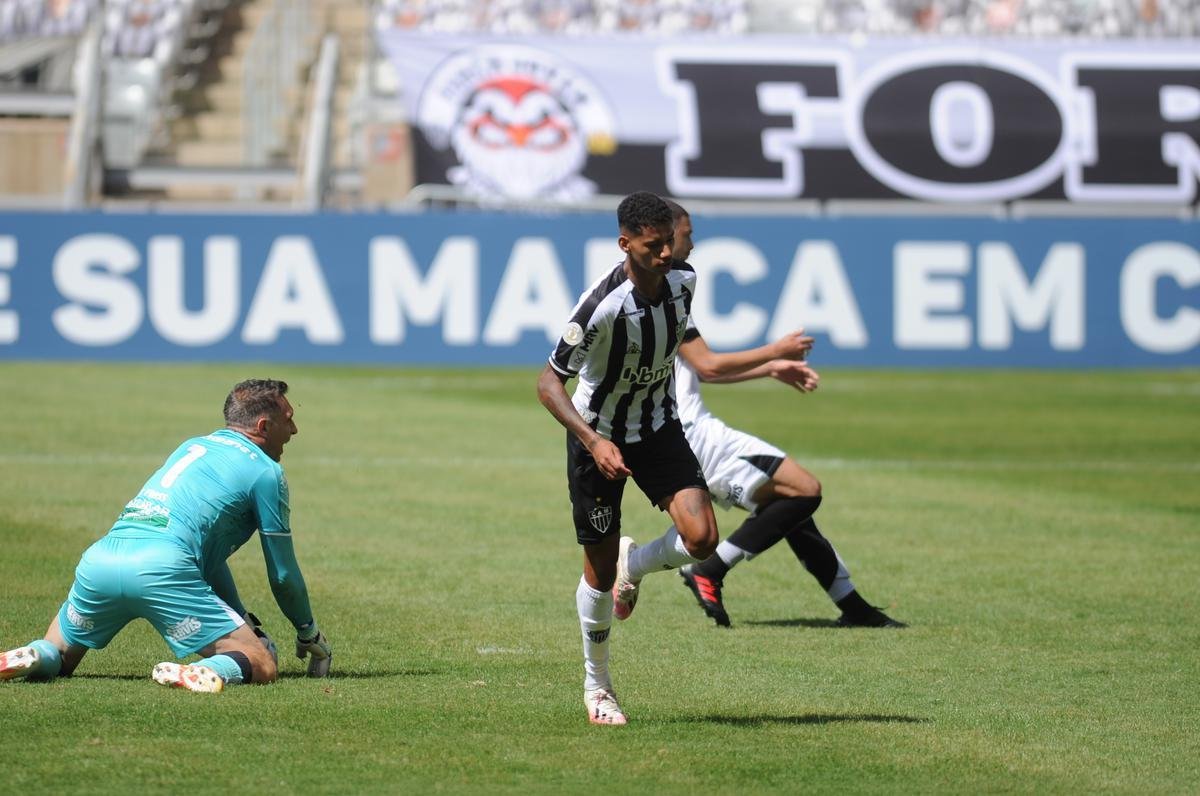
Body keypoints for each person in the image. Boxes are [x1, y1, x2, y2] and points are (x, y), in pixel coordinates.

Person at [0, 379, 332, 693]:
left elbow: (210, 557)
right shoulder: (266, 472)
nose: (294, 430)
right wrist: (307, 631)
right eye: (288, 419)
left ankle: (36, 654)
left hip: (101, 561)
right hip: (162, 569)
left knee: (59, 655)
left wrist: (241, 617)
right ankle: (208, 670)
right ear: (263, 426)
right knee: (262, 662)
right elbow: (283, 575)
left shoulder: (193, 446)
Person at [536, 191, 731, 726]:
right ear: (625, 244)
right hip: (597, 438)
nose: (666, 253)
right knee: (598, 573)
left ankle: (636, 565)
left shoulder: (684, 281)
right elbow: (549, 383)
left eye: (669, 242)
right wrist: (594, 441)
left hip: (659, 428)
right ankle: (597, 686)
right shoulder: (600, 307)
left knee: (702, 538)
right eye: (653, 246)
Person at [663, 199, 904, 629]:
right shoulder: (665, 292)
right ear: (665, 234)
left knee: (788, 505)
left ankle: (852, 605)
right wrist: (775, 350)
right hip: (694, 435)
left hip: (679, 433)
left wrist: (769, 368)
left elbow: (695, 369)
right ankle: (710, 568)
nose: (692, 244)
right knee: (804, 490)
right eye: (687, 233)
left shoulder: (649, 290)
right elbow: (708, 366)